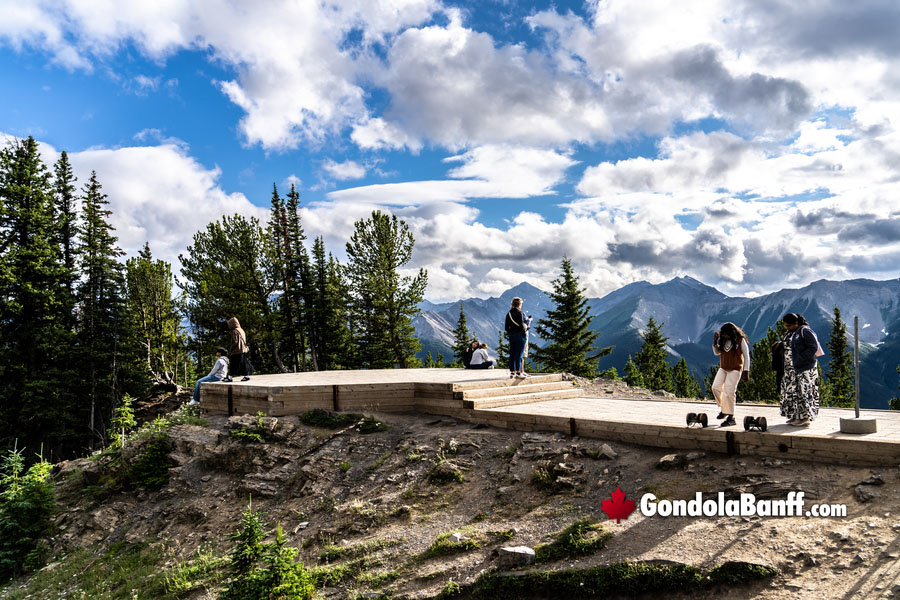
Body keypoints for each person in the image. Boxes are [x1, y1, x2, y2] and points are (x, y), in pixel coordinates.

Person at [780, 313, 821, 426]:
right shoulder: (790, 333)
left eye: (789, 325)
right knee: (792, 392)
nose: (787, 328)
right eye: (786, 326)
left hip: (803, 368)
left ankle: (805, 417)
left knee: (803, 391)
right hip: (790, 369)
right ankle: (794, 415)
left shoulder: (805, 331)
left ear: (796, 323)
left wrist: (801, 358)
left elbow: (813, 347)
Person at [711, 322, 750, 427]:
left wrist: (746, 372)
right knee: (715, 387)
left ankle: (731, 417)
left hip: (735, 369)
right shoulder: (724, 341)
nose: (724, 336)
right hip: (723, 368)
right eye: (723, 334)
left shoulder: (741, 341)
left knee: (729, 392)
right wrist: (715, 342)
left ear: (732, 332)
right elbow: (716, 352)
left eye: (726, 334)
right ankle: (724, 409)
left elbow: (747, 356)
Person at [504, 297, 529, 378]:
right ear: (519, 304)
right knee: (519, 354)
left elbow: (506, 328)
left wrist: (511, 332)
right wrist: (525, 330)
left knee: (512, 353)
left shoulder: (508, 314)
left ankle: (512, 372)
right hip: (520, 336)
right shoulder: (519, 313)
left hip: (512, 336)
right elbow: (522, 326)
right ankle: (518, 372)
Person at [227, 317, 253, 381]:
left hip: (237, 350)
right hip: (243, 349)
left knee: (233, 363)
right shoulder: (241, 330)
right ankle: (246, 376)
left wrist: (231, 349)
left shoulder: (234, 331)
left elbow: (235, 342)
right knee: (243, 363)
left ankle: (230, 377)